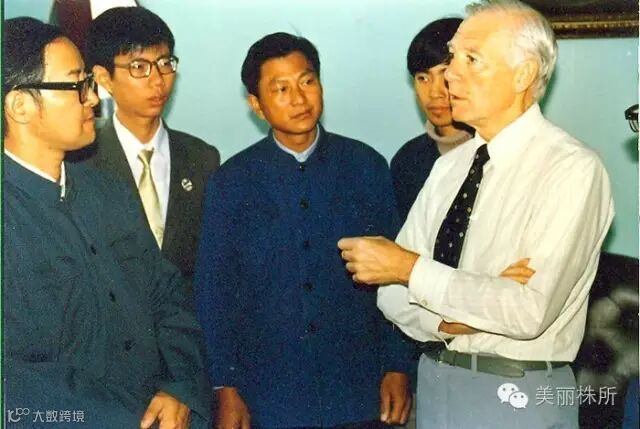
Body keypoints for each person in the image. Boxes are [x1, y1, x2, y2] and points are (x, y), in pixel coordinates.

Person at [338, 1, 614, 427]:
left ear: (523, 74)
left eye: (471, 59)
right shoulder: (449, 168)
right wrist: (459, 314)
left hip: (518, 391)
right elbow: (389, 296)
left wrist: (411, 269)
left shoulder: (571, 169)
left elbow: (526, 312)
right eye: (453, 58)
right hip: (435, 383)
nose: (450, 75)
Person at [195, 32, 412, 429]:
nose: (299, 98)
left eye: (307, 81)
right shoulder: (232, 182)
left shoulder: (365, 166)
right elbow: (215, 291)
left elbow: (398, 276)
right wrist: (225, 385)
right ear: (256, 105)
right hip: (271, 397)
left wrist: (398, 365)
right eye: (281, 89)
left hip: (358, 390)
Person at [3, 17, 211, 428]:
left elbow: (168, 297)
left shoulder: (110, 193)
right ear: (20, 106)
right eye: (77, 85)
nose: (94, 99)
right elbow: (18, 382)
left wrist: (181, 388)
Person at [70, 6, 220, 281]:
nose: (158, 80)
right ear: (104, 78)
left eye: (165, 63)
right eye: (139, 67)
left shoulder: (202, 158)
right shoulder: (80, 161)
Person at [391, 17, 472, 221]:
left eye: (446, 76)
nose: (435, 92)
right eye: (423, 78)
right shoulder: (407, 160)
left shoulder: (494, 152)